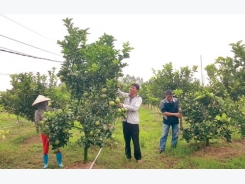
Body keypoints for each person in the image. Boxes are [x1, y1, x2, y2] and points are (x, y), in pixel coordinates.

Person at [32, 95, 64, 169]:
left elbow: (57, 114)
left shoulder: (50, 109)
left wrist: (59, 111)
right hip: (45, 132)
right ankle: (46, 163)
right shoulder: (37, 112)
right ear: (39, 104)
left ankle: (60, 162)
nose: (43, 104)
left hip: (53, 130)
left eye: (44, 102)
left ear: (46, 102)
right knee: (45, 147)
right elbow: (37, 122)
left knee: (56, 146)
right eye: (41, 103)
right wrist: (44, 122)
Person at [117, 83, 143, 163]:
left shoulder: (139, 99)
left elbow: (135, 108)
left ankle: (138, 158)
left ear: (137, 90)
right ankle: (128, 156)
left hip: (134, 123)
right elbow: (119, 92)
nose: (131, 89)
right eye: (131, 87)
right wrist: (117, 87)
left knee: (135, 140)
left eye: (133, 88)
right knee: (127, 140)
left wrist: (123, 105)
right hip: (125, 121)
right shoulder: (127, 95)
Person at [159, 89, 181, 154]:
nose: (170, 98)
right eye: (168, 96)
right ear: (165, 95)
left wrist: (179, 109)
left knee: (175, 135)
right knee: (164, 135)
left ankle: (173, 148)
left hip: (175, 121)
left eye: (171, 96)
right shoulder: (163, 102)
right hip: (167, 121)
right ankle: (161, 148)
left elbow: (178, 106)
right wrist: (174, 114)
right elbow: (164, 113)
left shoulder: (176, 100)